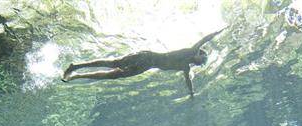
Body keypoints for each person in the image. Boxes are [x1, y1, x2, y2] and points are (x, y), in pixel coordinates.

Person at [62, 28, 225, 98]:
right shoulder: (190, 51)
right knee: (114, 63)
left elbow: (188, 80)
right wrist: (218, 32)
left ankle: (76, 76)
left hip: (146, 66)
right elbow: (204, 39)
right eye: (202, 59)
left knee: (114, 75)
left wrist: (191, 93)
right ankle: (75, 66)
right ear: (199, 55)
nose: (201, 62)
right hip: (147, 57)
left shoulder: (185, 67)